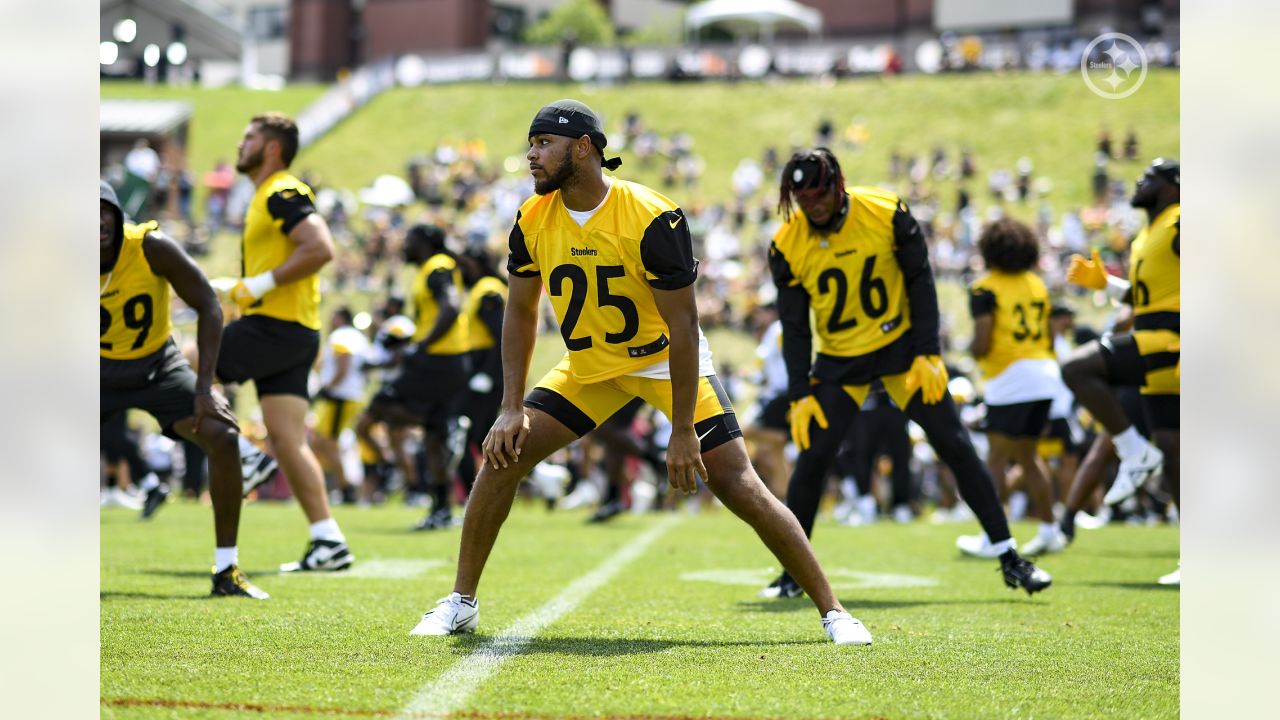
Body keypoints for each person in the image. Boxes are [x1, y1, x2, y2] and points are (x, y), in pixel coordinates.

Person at [410, 100, 871, 645]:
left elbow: (683, 324)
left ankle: (834, 611)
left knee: (735, 479)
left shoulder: (652, 216)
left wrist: (681, 431)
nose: (531, 155)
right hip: (589, 365)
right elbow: (519, 309)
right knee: (502, 453)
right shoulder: (531, 218)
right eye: (530, 144)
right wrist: (511, 406)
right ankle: (461, 601)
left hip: (660, 358)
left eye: (543, 143)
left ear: (584, 148)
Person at [761, 148, 1051, 599]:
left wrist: (928, 353)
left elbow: (921, 280)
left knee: (953, 441)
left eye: (819, 196)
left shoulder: (885, 212)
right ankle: (792, 574)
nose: (813, 207)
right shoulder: (786, 244)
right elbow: (795, 327)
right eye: (803, 199)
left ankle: (1010, 556)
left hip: (899, 350)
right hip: (841, 359)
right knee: (814, 456)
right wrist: (801, 392)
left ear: (838, 185)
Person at [100, 180, 266, 599]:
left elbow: (209, 303)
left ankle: (226, 569)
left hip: (157, 365)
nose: (97, 222)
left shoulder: (151, 247)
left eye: (104, 210)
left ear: (118, 215)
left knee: (222, 434)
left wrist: (205, 385)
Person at [213, 112, 352, 573]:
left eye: (249, 136)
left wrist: (258, 286)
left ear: (272, 147)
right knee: (290, 442)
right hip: (294, 329)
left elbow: (320, 248)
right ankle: (328, 540)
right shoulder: (263, 194)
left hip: (275, 324)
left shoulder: (280, 190)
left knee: (184, 364)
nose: (240, 142)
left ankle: (242, 455)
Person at [1061, 158, 1180, 584]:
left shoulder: (1183, 219)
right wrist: (1105, 284)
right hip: (1158, 339)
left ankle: (1132, 450)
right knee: (1173, 447)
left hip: (1171, 339)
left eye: (1151, 177)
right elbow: (1145, 291)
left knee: (1077, 368)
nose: (1140, 182)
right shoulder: (1152, 231)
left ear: (1174, 185)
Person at [961, 218, 1070, 556]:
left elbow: (982, 341)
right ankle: (1050, 530)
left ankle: (992, 537)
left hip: (1010, 376)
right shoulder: (1037, 284)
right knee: (1027, 454)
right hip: (1044, 373)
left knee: (996, 457)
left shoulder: (984, 288)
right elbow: (1051, 335)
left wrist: (969, 350)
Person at [356, 224, 471, 531]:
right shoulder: (425, 272)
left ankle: (438, 430)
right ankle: (441, 508)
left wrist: (422, 344)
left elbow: (451, 307)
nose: (404, 245)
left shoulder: (438, 266)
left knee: (375, 411)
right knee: (433, 441)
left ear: (425, 243)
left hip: (440, 361)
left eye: (410, 240)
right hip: (443, 361)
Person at [455, 247, 508, 499]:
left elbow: (500, 336)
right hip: (479, 369)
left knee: (466, 435)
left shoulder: (488, 289)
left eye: (465, 264)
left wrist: (488, 373)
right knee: (483, 439)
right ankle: (488, 494)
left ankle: (471, 495)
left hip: (486, 370)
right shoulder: (480, 289)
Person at [309, 306, 369, 505]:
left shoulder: (343, 336)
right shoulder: (356, 336)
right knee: (321, 442)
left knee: (329, 442)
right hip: (345, 395)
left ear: (341, 318)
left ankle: (346, 488)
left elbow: (344, 362)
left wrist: (329, 387)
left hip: (341, 396)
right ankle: (340, 485)